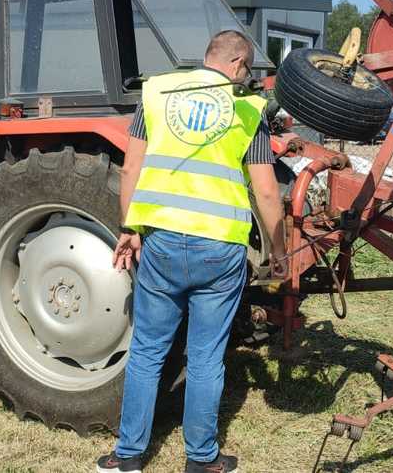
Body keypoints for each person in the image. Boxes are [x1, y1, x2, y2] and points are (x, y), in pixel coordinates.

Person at [95, 30, 288, 473]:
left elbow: (131, 167)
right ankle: (201, 459)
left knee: (146, 351)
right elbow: (265, 190)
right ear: (238, 63)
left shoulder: (157, 94)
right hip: (219, 249)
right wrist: (277, 248)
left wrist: (130, 227)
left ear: (207, 57)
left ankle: (127, 456)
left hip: (161, 240)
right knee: (205, 356)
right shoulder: (245, 107)